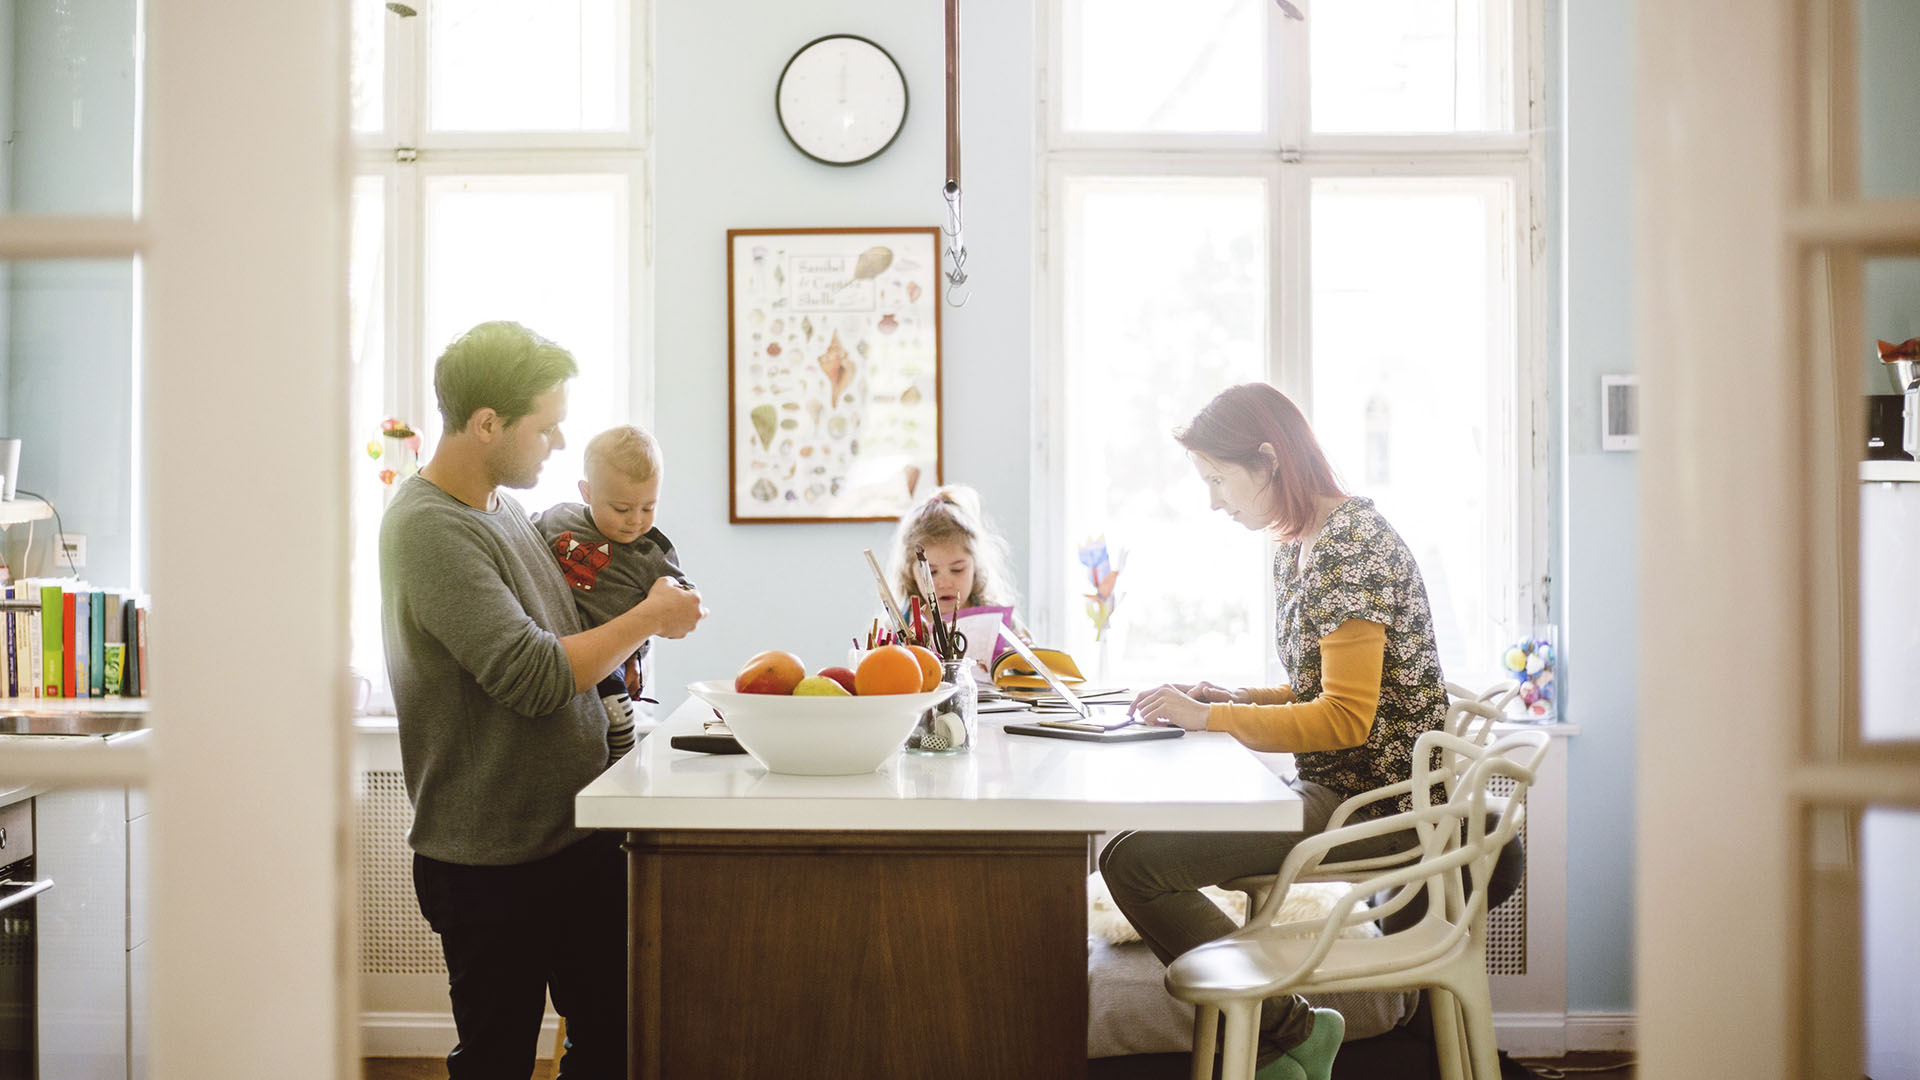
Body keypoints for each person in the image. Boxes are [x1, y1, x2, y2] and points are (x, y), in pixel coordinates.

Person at [380, 321, 707, 1079]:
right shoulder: (428, 529)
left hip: (568, 835)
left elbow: (573, 637)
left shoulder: (503, 510)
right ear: (488, 423)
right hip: (492, 858)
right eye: (546, 427)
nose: (557, 445)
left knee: (611, 1045)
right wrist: (650, 617)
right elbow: (531, 676)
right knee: (496, 1059)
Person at [1100, 382, 1447, 1080]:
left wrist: (1211, 717)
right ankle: (1282, 1042)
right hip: (1340, 788)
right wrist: (1226, 696)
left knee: (1134, 864)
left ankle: (1286, 1033)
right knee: (1130, 853)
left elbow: (1347, 720)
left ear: (1268, 460)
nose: (1213, 499)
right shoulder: (1302, 544)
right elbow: (1318, 692)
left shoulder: (1353, 547)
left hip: (1379, 805)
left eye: (1218, 479)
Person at [534, 424, 691, 761]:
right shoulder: (559, 519)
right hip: (556, 647)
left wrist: (683, 605)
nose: (635, 520)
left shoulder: (650, 552)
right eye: (621, 509)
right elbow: (519, 538)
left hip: (612, 655)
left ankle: (619, 770)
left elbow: (677, 597)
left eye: (648, 508)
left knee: (616, 714)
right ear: (587, 492)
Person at [883, 484, 1027, 668]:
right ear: (910, 573)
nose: (944, 583)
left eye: (958, 569)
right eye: (931, 573)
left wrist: (1023, 660)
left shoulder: (1002, 625)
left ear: (976, 566)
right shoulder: (896, 626)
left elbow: (1036, 681)